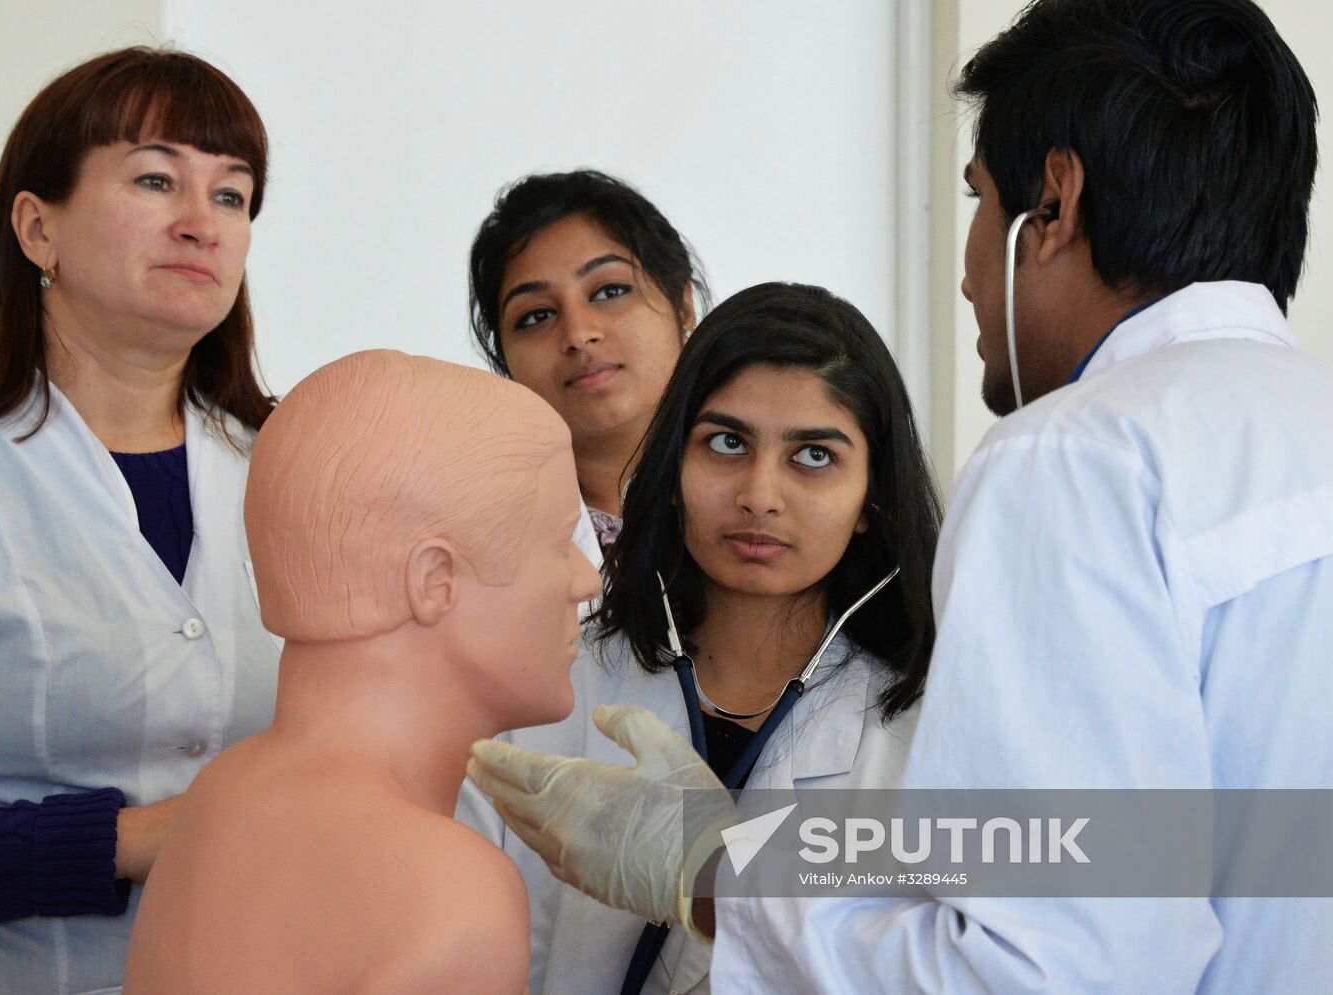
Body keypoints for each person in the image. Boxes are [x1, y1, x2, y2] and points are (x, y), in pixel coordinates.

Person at [465, 1, 1333, 991]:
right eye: (724, 443)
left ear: (1052, 204)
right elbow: (1164, 854)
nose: (966, 273)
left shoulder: (1078, 456)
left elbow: (1048, 961)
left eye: (976, 200)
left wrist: (712, 871)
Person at [461, 282, 942, 993]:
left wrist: (719, 881)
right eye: (725, 442)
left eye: (813, 455)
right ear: (673, 466)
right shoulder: (549, 682)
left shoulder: (924, 733)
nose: (759, 494)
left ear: (871, 499)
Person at [0, 48, 281, 992]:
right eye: (157, 178)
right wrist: (129, 840)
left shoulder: (284, 463)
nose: (199, 223)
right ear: (37, 227)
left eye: (232, 196)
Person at [125, 350, 601, 993]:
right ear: (434, 581)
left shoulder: (220, 794)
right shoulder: (453, 898)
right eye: (559, 540)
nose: (587, 578)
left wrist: (707, 854)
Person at [469, 169, 708, 565]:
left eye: (609, 291)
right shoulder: (475, 548)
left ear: (682, 304)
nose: (578, 334)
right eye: (536, 316)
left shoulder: (771, 491)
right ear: (503, 358)